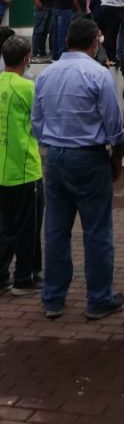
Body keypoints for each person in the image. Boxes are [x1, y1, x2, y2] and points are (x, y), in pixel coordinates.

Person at [31, 17, 124, 320]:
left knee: (56, 230)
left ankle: (53, 298)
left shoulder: (46, 74)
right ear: (95, 42)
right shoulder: (98, 74)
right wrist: (116, 159)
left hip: (55, 156)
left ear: (66, 40)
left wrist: (52, 143)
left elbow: (37, 121)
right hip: (88, 157)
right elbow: (114, 125)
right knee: (97, 231)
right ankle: (99, 299)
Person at [0, 36, 43, 296]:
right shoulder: (28, 88)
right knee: (29, 226)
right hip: (24, 167)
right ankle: (24, 277)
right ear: (27, 58)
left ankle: (2, 276)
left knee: (5, 225)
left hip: (2, 169)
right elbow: (41, 123)